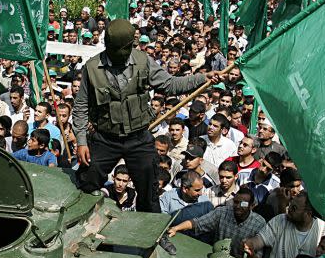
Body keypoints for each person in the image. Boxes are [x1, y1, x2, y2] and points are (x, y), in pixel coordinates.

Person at [74, 19, 218, 213]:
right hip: (105, 138)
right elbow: (81, 105)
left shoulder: (143, 62)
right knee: (87, 178)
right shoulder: (92, 68)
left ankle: (150, 234)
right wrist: (82, 141)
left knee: (149, 190)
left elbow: (171, 85)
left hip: (138, 138)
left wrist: (203, 78)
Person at [244, 193, 325, 258]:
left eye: (294, 208)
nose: (288, 209)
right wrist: (250, 244)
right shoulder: (280, 220)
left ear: (308, 213)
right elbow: (260, 239)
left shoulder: (323, 229)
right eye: (289, 205)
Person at [166, 188, 265, 258]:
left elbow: (258, 256)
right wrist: (176, 228)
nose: (238, 206)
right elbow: (197, 223)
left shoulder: (259, 224)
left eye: (243, 204)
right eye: (236, 202)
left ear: (252, 206)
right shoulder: (222, 212)